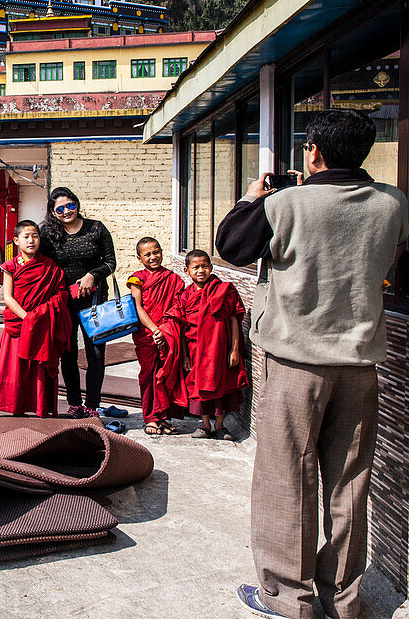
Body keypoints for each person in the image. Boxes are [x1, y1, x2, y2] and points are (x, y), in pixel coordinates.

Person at [216, 109, 409, 619]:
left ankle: (288, 597)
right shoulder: (393, 203)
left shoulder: (287, 203)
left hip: (296, 365)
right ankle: (343, 597)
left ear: (314, 152)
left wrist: (255, 196)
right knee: (350, 484)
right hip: (360, 365)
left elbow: (231, 245)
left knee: (287, 478)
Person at [39, 187, 117, 418]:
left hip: (94, 302)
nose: (66, 211)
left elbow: (111, 262)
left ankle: (93, 405)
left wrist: (93, 274)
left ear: (77, 204)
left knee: (96, 355)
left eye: (70, 205)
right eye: (60, 208)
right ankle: (74, 402)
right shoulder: (48, 235)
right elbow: (38, 263)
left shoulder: (96, 229)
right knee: (68, 353)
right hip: (64, 302)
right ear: (53, 213)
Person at [0, 219, 73, 417]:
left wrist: (40, 315)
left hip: (42, 324)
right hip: (20, 323)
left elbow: (60, 293)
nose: (31, 241)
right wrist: (27, 318)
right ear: (16, 241)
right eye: (26, 237)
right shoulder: (10, 266)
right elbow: (8, 297)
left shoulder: (49, 267)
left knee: (38, 368)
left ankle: (40, 406)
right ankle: (15, 405)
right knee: (16, 368)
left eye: (35, 236)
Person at [170, 250, 247, 440]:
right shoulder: (185, 296)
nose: (201, 270)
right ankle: (204, 425)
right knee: (199, 386)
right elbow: (181, 326)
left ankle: (220, 425)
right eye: (195, 267)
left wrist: (234, 349)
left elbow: (233, 320)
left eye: (205, 266)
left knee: (221, 385)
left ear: (211, 268)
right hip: (196, 350)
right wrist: (186, 356)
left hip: (220, 349)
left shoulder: (224, 290)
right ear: (186, 270)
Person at [127, 237, 186, 434]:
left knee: (166, 375)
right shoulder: (137, 278)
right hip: (146, 333)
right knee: (148, 375)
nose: (153, 257)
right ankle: (151, 418)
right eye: (148, 254)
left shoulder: (174, 279)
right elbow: (138, 307)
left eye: (156, 252)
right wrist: (155, 330)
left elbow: (178, 308)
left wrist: (166, 330)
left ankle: (164, 418)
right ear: (139, 258)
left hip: (168, 334)